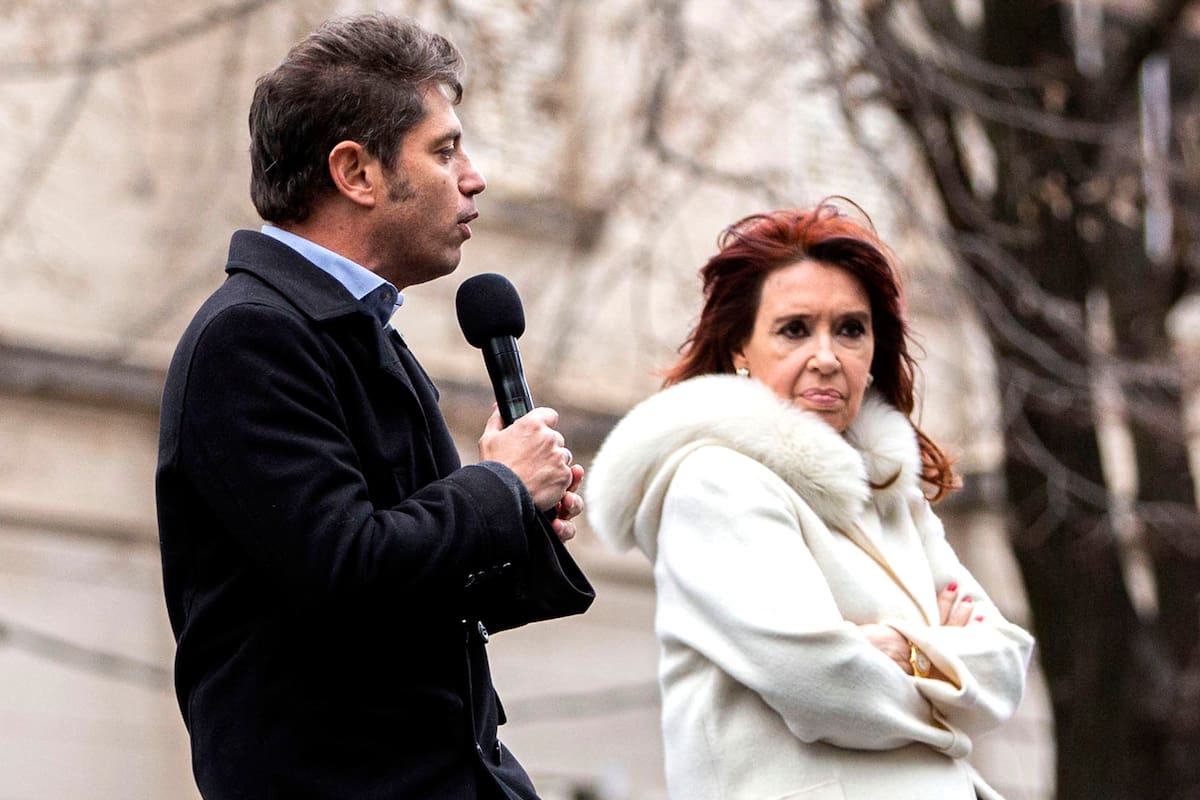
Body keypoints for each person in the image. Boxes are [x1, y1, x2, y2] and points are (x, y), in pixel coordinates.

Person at [156, 14, 593, 799]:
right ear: (356, 172)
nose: (475, 177)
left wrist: (517, 517)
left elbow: (406, 604)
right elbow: (345, 569)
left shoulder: (357, 331)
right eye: (446, 149)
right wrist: (494, 491)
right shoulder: (251, 338)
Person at [586, 200, 1034, 800]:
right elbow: (826, 685)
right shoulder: (714, 481)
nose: (826, 357)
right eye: (795, 329)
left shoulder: (892, 494)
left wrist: (905, 650)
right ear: (740, 349)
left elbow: (1005, 663)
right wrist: (951, 694)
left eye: (850, 329)